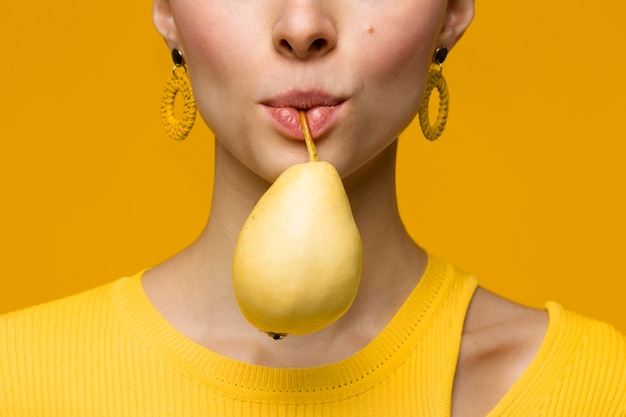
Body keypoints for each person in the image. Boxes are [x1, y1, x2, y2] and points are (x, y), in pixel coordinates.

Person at [1, 0, 625, 415]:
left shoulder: (594, 389)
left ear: (453, 9)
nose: (302, 26)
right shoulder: (18, 381)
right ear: (166, 9)